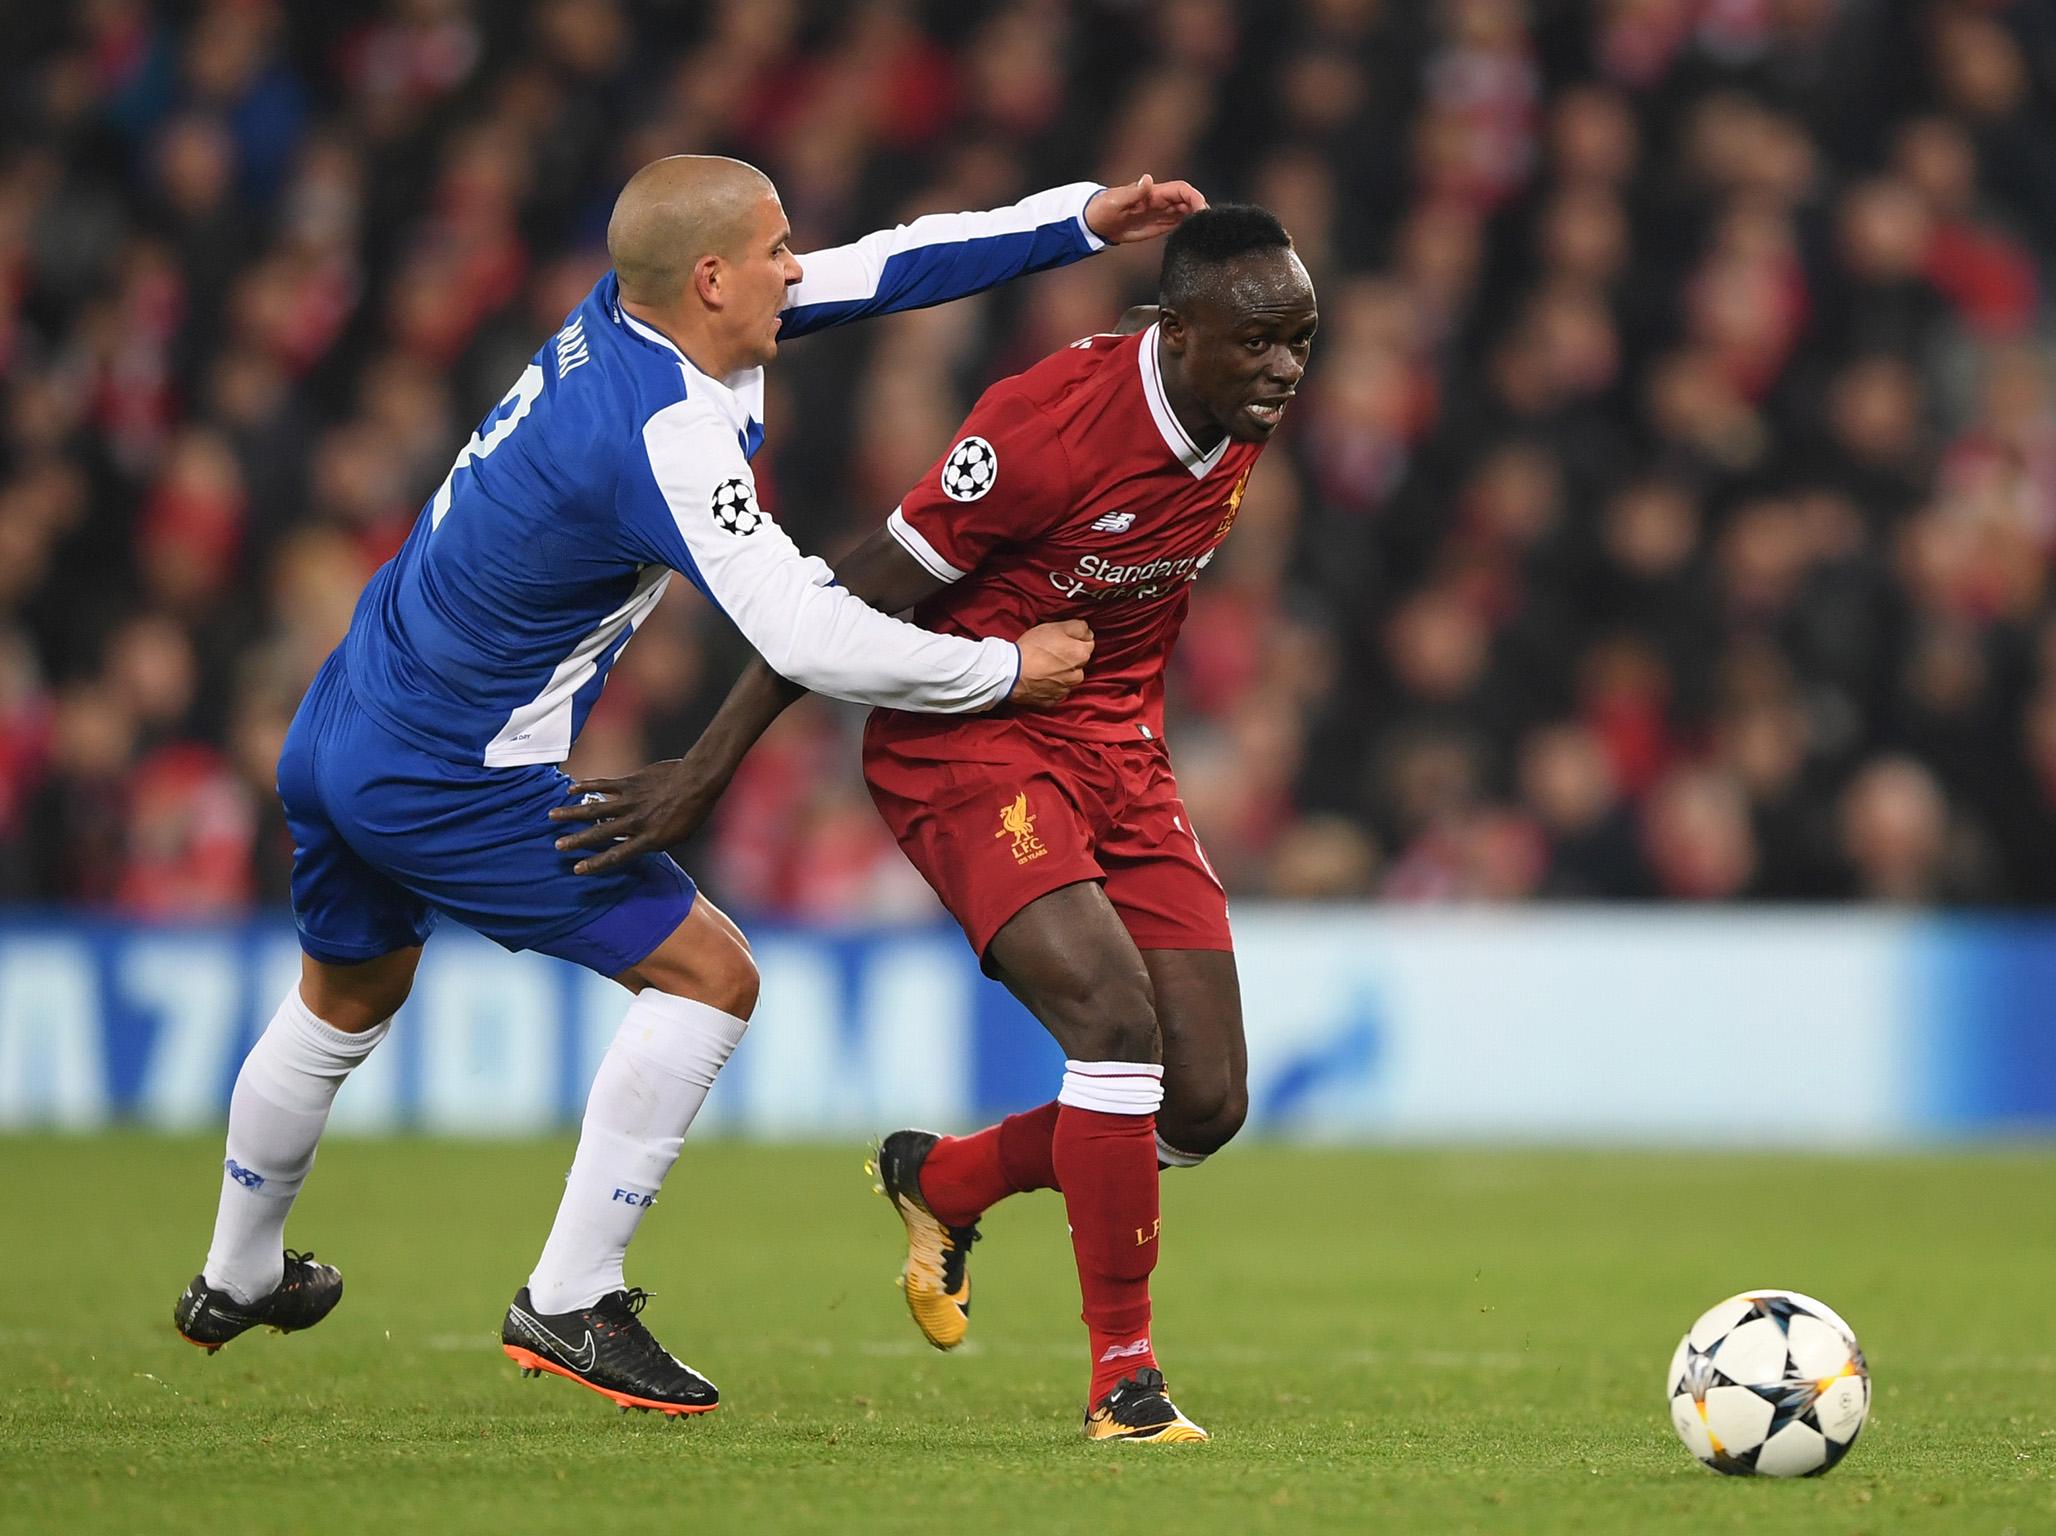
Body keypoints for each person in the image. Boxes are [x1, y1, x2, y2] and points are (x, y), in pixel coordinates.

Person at [169, 154, 1206, 1419]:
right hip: (448, 769)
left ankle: (236, 1273)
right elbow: (808, 634)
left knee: (346, 990)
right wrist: (1004, 669)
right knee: (711, 976)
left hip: (342, 722)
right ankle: (569, 1297)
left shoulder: (632, 315)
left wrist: (1080, 218)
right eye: (775, 249)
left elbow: (890, 262)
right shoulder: (668, 430)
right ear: (711, 278)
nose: (796, 265)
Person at [549, 205, 1318, 1441]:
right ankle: (1124, 1380)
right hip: (968, 739)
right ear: (1176, 335)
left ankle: (943, 1179)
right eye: (1259, 343)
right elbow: (850, 590)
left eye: (1301, 341)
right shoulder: (1041, 432)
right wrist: (708, 767)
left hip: (1115, 748)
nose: (1285, 370)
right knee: (1113, 1020)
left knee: (1204, 1104)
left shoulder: (1237, 407)